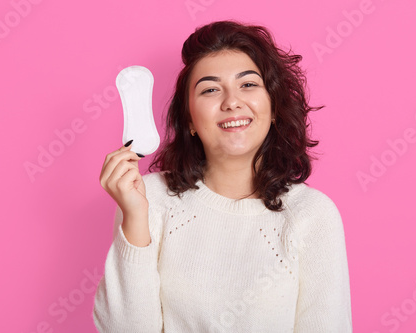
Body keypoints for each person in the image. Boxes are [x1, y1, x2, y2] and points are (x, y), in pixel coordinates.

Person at [93, 20, 352, 332]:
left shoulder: (311, 215)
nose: (231, 102)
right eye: (211, 89)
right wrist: (134, 217)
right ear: (189, 119)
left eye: (248, 85)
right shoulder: (147, 199)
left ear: (272, 109)